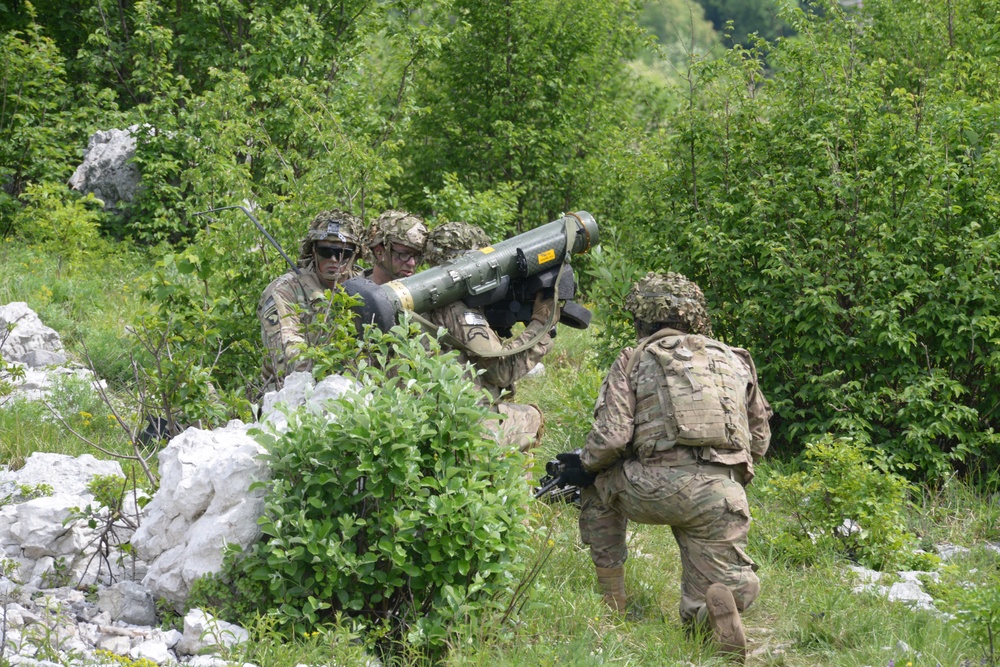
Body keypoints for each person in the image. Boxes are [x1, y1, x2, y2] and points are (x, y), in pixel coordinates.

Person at [556, 271, 772, 662]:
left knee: (596, 482)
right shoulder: (736, 359)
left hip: (653, 487)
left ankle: (613, 604)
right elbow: (759, 441)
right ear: (697, 317)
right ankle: (710, 611)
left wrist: (586, 466)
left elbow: (612, 438)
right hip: (722, 494)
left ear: (642, 319)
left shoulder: (636, 357)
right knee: (720, 582)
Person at [422, 221, 558, 451]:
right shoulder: (457, 310)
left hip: (434, 417)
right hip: (464, 428)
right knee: (531, 418)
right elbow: (500, 370)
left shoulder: (426, 301)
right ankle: (513, 485)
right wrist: (540, 325)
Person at [257, 209, 365, 393]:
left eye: (343, 253)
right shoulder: (286, 290)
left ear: (355, 254)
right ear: (313, 251)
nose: (334, 259)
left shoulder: (368, 288)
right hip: (291, 394)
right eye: (326, 251)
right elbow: (286, 352)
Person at [365, 210, 428, 285]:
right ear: (379, 252)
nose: (412, 263)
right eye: (404, 254)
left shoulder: (423, 293)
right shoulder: (352, 293)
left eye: (417, 256)